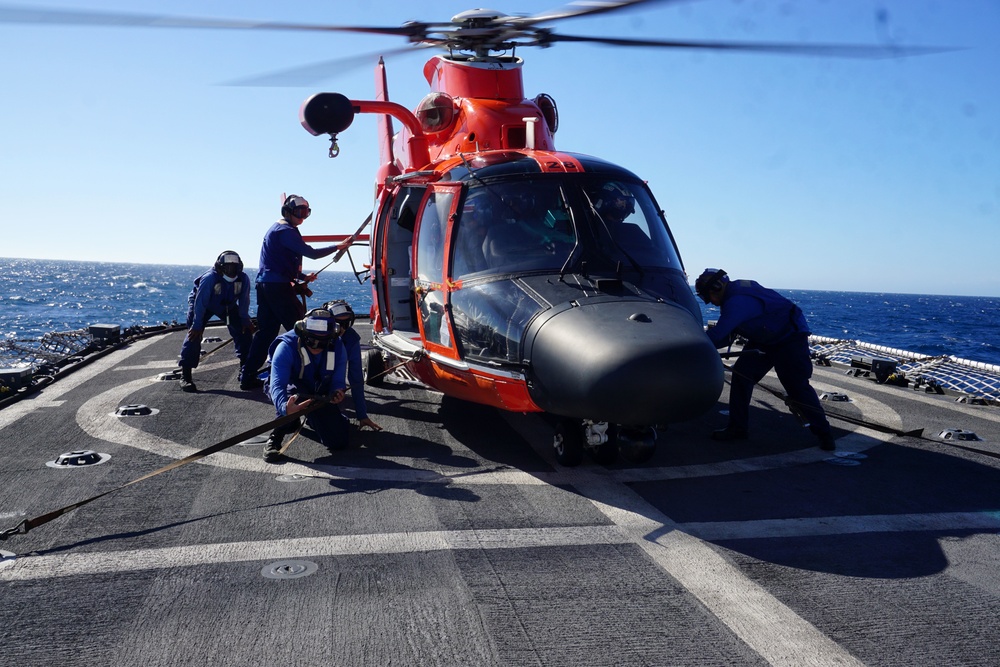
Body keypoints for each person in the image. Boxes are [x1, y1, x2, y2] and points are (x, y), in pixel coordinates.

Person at [695, 268, 836, 451]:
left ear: (716, 287)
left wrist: (692, 345)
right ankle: (737, 428)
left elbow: (719, 335)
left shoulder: (736, 302)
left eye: (709, 297)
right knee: (742, 376)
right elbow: (727, 336)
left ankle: (824, 433)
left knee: (796, 386)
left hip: (789, 339)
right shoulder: (734, 294)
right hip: (764, 339)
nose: (710, 304)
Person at [240, 194, 345, 390]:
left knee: (266, 333)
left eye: (306, 213)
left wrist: (303, 277)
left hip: (266, 286)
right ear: (288, 212)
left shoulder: (278, 229)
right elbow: (311, 253)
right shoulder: (286, 231)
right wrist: (339, 246)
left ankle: (247, 377)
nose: (303, 217)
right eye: (300, 212)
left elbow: (278, 263)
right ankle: (309, 379)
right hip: (277, 288)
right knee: (302, 330)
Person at [263, 308, 348, 461]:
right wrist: (284, 407)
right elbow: (277, 384)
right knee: (292, 401)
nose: (316, 348)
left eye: (322, 343)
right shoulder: (286, 347)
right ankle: (276, 437)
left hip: (319, 391)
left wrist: (337, 392)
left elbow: (338, 379)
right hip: (293, 389)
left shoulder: (338, 346)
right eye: (312, 342)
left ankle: (314, 417)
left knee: (338, 441)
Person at [178, 251, 253, 392]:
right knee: (193, 335)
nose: (231, 272)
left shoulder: (243, 279)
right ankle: (185, 376)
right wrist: (197, 325)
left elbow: (244, 301)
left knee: (245, 332)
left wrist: (244, 319)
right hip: (203, 305)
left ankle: (245, 373)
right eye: (228, 268)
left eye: (234, 268)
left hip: (228, 306)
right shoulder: (210, 278)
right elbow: (200, 302)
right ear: (220, 267)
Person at [324, 300, 383, 431]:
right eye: (338, 324)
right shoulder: (317, 335)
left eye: (346, 324)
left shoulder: (351, 339)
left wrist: (362, 415)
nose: (342, 329)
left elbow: (356, 378)